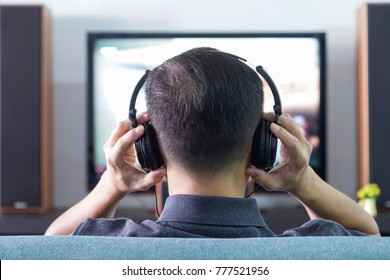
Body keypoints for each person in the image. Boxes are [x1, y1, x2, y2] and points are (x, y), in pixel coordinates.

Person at [45, 47, 379, 237]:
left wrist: (112, 184)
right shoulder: (314, 257)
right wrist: (303, 180)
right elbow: (368, 236)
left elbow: (52, 247)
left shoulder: (105, 248)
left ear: (150, 148)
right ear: (264, 145)